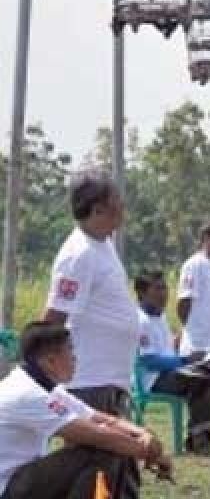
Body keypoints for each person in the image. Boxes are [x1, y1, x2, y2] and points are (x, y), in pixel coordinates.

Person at [0, 322, 172, 499]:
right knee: (105, 449)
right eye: (70, 351)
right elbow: (97, 435)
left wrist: (142, 433)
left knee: (117, 444)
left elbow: (99, 419)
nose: (75, 358)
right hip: (8, 487)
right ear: (50, 361)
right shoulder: (28, 393)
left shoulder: (44, 387)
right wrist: (151, 452)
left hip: (21, 479)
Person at [42, 170, 140, 417]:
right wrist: (43, 374)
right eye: (117, 202)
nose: (122, 208)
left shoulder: (103, 245)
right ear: (97, 210)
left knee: (118, 454)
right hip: (90, 383)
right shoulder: (79, 254)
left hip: (110, 381)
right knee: (100, 454)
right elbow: (54, 318)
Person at [134, 271, 210, 456]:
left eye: (165, 288)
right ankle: (198, 440)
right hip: (152, 380)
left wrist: (187, 350)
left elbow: (166, 350)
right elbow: (149, 361)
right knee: (199, 379)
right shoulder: (140, 320)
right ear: (142, 293)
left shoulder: (160, 317)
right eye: (157, 289)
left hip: (170, 372)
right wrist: (184, 361)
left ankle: (201, 436)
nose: (163, 293)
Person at [176, 221, 210, 440]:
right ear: (206, 238)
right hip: (199, 344)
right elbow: (183, 302)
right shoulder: (194, 265)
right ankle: (196, 438)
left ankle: (206, 437)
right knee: (201, 395)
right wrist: (190, 329)